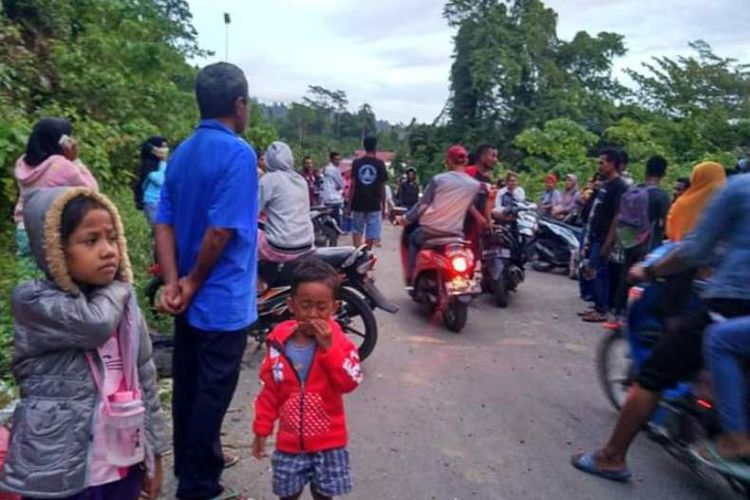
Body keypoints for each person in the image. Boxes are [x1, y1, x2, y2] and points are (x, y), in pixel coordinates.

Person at [571, 168, 744, 483]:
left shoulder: (736, 190)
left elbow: (692, 249)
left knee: (653, 374)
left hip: (719, 296)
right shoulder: (670, 195)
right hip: (679, 271)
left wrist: (650, 271)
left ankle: (612, 457)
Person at [0, 187, 168, 499]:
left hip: (121, 462)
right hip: (58, 470)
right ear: (55, 250)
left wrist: (154, 454)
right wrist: (123, 287)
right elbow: (94, 324)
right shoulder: (34, 301)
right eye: (91, 241)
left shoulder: (122, 304)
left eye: (112, 237)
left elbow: (145, 376)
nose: (108, 251)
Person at [154, 62, 257, 500]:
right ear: (238, 105)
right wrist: (193, 283)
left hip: (189, 301)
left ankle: (198, 464)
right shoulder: (239, 154)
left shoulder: (181, 152)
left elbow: (164, 222)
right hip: (222, 301)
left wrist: (174, 282)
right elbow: (220, 231)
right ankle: (198, 488)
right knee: (210, 399)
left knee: (189, 392)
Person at [252, 259, 362, 500]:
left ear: (334, 307)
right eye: (305, 305)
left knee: (324, 495)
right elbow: (270, 389)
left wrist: (329, 350)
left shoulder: (341, 343)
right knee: (287, 494)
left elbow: (349, 382)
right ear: (291, 305)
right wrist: (262, 428)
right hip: (289, 444)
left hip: (329, 444)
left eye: (321, 307)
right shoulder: (278, 341)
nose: (313, 314)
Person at [398, 145, 484, 284]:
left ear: (449, 161)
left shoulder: (439, 180)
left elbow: (422, 205)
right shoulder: (474, 185)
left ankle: (411, 276)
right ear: (465, 161)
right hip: (455, 234)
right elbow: (469, 204)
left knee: (413, 238)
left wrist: (405, 219)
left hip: (430, 231)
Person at [13, 118, 98, 257]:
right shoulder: (61, 165)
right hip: (48, 229)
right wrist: (74, 160)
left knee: (28, 274)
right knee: (53, 276)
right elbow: (92, 189)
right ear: (61, 140)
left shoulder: (22, 162)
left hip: (24, 227)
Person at [611, 155, 671, 319]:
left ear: (646, 170)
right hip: (649, 241)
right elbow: (667, 222)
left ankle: (618, 311)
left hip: (629, 238)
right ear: (664, 173)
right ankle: (638, 314)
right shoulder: (661, 196)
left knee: (627, 273)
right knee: (646, 278)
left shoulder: (633, 189)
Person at [580, 149, 628, 323]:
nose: (599, 165)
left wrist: (609, 242)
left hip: (604, 238)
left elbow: (618, 216)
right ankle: (599, 306)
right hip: (595, 234)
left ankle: (602, 310)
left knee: (596, 271)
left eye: (602, 162)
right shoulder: (605, 184)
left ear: (612, 164)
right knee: (594, 271)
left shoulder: (619, 186)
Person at [258, 141, 315, 264]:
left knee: (249, 235)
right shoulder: (300, 179)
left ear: (269, 159)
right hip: (307, 245)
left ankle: (257, 280)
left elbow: (252, 210)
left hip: (279, 247)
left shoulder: (268, 179)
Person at [666, 162, 726, 242]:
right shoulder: (725, 203)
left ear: (695, 178)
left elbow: (671, 231)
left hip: (684, 249)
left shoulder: (682, 203)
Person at [348, 137, 388, 249]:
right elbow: (382, 187)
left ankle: (357, 252)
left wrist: (349, 205)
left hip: (358, 201)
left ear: (364, 147)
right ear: (375, 147)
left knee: (357, 229)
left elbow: (353, 186)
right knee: (372, 231)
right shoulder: (380, 164)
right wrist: (384, 205)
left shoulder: (356, 163)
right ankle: (366, 253)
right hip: (374, 203)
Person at [134, 136, 169, 225]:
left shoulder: (162, 164)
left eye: (165, 147)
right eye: (162, 147)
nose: (164, 150)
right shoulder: (149, 165)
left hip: (163, 202)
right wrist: (163, 162)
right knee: (158, 229)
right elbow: (160, 181)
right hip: (152, 202)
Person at [322, 152, 345, 228]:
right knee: (337, 221)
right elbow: (341, 184)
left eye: (339, 159)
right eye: (336, 159)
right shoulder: (333, 170)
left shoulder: (327, 169)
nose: (338, 161)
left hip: (326, 198)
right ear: (331, 160)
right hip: (334, 198)